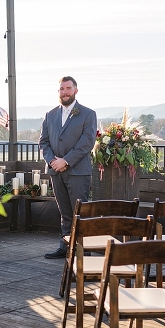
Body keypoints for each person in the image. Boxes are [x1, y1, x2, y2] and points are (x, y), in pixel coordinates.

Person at [39, 76, 97, 259]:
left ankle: (83, 250)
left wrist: (66, 161)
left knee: (80, 212)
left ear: (75, 91)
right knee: (64, 212)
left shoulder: (88, 114)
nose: (65, 92)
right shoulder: (50, 115)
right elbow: (43, 142)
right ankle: (65, 247)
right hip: (56, 171)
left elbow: (87, 142)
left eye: (68, 88)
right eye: (62, 89)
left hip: (78, 172)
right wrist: (52, 161)